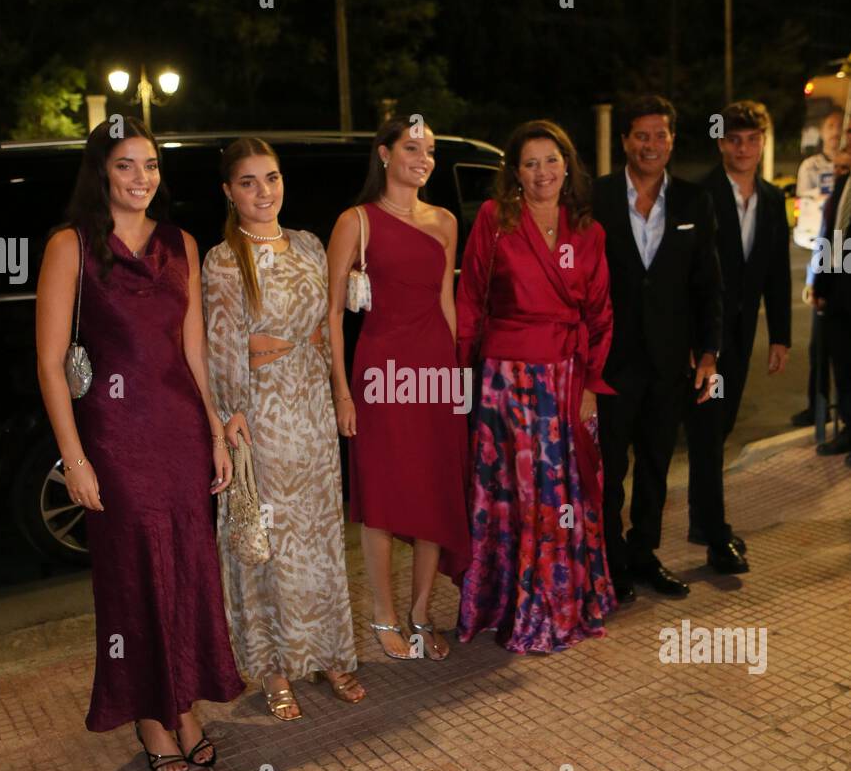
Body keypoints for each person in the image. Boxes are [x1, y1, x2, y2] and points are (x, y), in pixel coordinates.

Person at [35, 119, 243, 771]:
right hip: (115, 438)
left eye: (150, 165)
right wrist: (76, 460)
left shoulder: (181, 242)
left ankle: (183, 704)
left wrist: (214, 432)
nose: (141, 178)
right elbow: (47, 364)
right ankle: (150, 713)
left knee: (186, 571)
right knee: (132, 578)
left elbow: (194, 352)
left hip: (179, 433)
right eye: (125, 166)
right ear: (101, 173)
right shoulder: (70, 246)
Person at [202, 138, 363, 719]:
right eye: (248, 182)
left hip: (311, 411)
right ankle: (272, 668)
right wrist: (232, 413)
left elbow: (327, 325)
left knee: (319, 541)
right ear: (228, 192)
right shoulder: (223, 258)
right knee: (266, 545)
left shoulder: (309, 245)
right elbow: (221, 342)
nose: (263, 191)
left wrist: (336, 389)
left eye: (270, 178)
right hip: (262, 417)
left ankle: (330, 653)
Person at [455, 120, 616, 652]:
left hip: (567, 376)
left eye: (551, 160)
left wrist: (591, 381)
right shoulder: (494, 219)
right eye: (530, 163)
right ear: (515, 173)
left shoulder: (588, 230)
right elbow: (471, 297)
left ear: (567, 165)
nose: (542, 172)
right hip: (506, 381)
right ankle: (513, 607)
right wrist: (463, 375)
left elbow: (599, 314)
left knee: (562, 494)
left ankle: (560, 603)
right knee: (516, 498)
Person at [327, 116, 470, 662]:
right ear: (384, 154)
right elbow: (333, 315)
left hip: (434, 371)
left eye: (429, 149)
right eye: (412, 147)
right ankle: (382, 614)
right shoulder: (355, 222)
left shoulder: (445, 221)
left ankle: (419, 615)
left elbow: (446, 302)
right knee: (384, 498)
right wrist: (343, 391)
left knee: (435, 490)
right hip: (381, 374)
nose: (423, 157)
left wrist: (456, 380)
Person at [592, 94, 722, 601]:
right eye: (641, 135)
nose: (651, 145)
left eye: (660, 135)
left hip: (670, 364)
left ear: (672, 140)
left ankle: (644, 554)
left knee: (655, 466)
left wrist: (708, 353)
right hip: (610, 362)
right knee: (609, 471)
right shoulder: (595, 198)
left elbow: (709, 286)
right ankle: (610, 563)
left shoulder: (694, 202)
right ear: (624, 140)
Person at [685, 101, 791, 571]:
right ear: (720, 142)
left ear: (763, 142)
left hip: (743, 334)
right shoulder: (699, 195)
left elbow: (777, 274)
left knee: (721, 426)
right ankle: (717, 536)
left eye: (751, 139)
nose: (743, 148)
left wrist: (780, 336)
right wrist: (694, 341)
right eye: (734, 139)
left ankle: (701, 520)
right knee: (708, 431)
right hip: (705, 338)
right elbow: (687, 274)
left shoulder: (770, 199)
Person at [792, 107, 845, 428]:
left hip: (842, 257)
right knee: (820, 344)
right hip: (822, 256)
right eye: (832, 127)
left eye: (844, 128)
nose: (837, 133)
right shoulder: (811, 166)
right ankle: (818, 406)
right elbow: (813, 218)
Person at [811, 164, 851, 460]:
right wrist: (821, 286)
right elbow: (830, 233)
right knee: (843, 363)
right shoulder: (843, 185)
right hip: (840, 289)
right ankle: (848, 429)